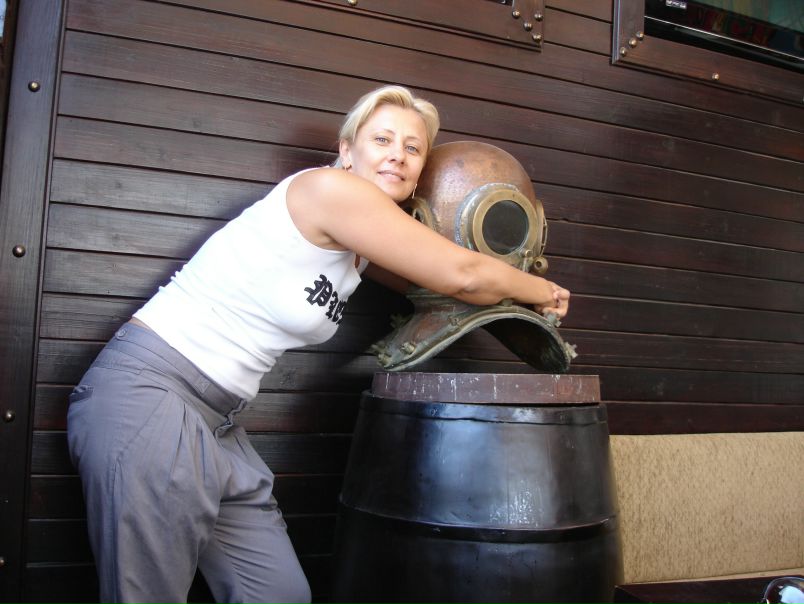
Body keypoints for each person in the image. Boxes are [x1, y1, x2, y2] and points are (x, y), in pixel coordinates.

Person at [66, 85, 571, 604]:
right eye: (382, 139)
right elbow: (461, 275)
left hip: (217, 422)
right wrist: (543, 290)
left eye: (413, 147)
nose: (398, 154)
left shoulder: (361, 247)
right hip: (153, 395)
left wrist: (513, 299)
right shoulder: (329, 191)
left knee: (279, 595)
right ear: (347, 150)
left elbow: (442, 286)